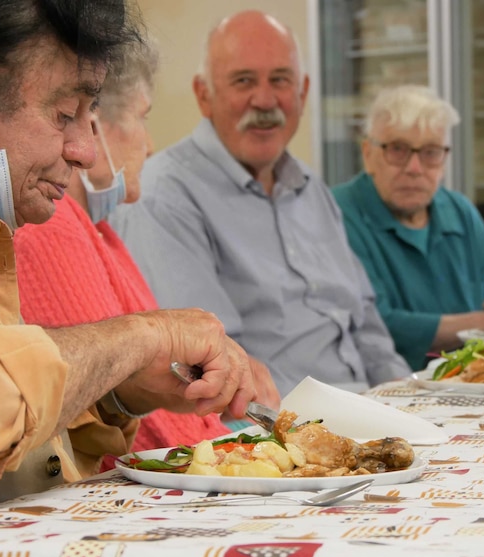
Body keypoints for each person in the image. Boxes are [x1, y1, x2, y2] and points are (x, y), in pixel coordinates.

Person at [0, 0, 268, 557]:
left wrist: (118, 388)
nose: (85, 152)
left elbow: (7, 425)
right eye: (66, 114)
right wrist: (144, 337)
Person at [113, 10, 411, 396]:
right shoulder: (164, 196)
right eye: (243, 81)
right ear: (205, 95)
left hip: (369, 412)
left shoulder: (311, 187)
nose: (265, 99)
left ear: (302, 92)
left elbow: (366, 323)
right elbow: (212, 368)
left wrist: (407, 399)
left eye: (280, 80)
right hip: (279, 433)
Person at [14, 40, 278, 475]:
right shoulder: (52, 226)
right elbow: (139, 419)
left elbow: (141, 388)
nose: (151, 145)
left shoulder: (96, 228)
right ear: (94, 127)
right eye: (143, 118)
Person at [331, 85, 484, 370]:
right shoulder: (338, 213)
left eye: (430, 152)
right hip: (386, 390)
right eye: (398, 150)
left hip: (469, 384)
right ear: (368, 154)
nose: (415, 168)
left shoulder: (461, 212)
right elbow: (378, 326)